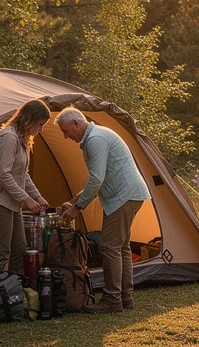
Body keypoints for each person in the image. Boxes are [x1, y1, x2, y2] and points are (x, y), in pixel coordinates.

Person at [56, 107, 152, 313]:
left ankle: (112, 300)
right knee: (121, 248)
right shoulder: (97, 136)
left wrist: (77, 208)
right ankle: (125, 298)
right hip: (127, 196)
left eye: (65, 131)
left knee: (108, 247)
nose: (65, 136)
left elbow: (96, 179)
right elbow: (100, 177)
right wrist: (74, 200)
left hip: (123, 197)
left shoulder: (96, 139)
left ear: (75, 123)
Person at [0, 98, 50, 275]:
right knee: (1, 251)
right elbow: (2, 174)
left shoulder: (23, 138)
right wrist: (26, 199)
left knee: (19, 248)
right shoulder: (9, 137)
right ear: (30, 119)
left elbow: (22, 174)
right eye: (40, 125)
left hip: (11, 200)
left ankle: (12, 288)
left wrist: (38, 196)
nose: (40, 130)